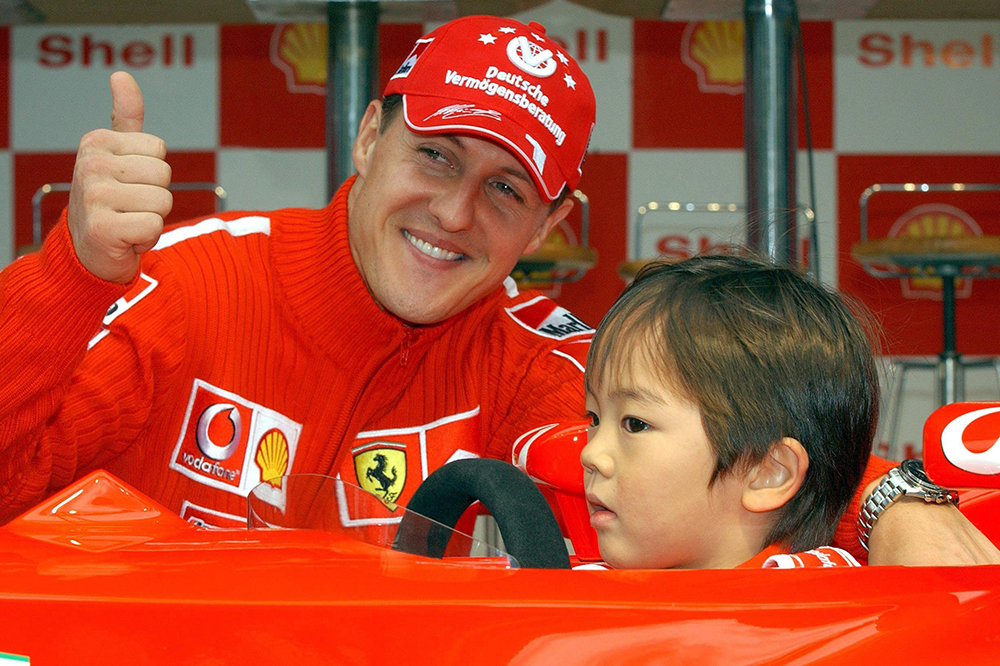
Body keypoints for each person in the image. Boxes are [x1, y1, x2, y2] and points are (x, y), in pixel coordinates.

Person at [0, 16, 995, 565]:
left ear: (549, 225)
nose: (456, 212)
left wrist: (889, 503)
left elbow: (714, 441)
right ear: (366, 138)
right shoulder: (190, 281)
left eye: (506, 187)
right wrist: (72, 275)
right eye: (433, 155)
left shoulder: (532, 353)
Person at [581, 255, 879, 569]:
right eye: (594, 419)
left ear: (767, 473)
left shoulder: (819, 600)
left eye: (635, 424)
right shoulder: (578, 593)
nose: (590, 453)